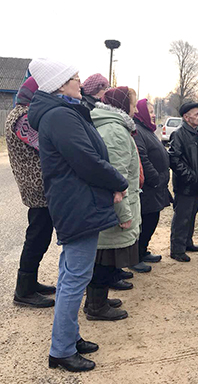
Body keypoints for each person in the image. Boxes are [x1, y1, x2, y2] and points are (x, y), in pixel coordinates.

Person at [28, 58, 128, 372]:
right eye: (74, 77)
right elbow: (85, 159)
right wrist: (117, 181)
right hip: (78, 203)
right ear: (59, 84)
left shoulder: (62, 111)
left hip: (78, 201)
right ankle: (61, 350)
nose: (79, 82)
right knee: (75, 278)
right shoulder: (60, 115)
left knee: (72, 273)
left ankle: (69, 337)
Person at [85, 87, 142, 320]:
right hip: (113, 209)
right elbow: (116, 176)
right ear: (121, 105)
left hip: (111, 207)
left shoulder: (114, 126)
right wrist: (124, 214)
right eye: (132, 103)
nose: (136, 108)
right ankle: (96, 307)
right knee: (105, 259)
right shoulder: (115, 131)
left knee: (105, 257)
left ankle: (98, 300)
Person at [5, 77, 56, 308]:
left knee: (40, 235)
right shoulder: (22, 117)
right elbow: (43, 143)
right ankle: (23, 290)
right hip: (37, 186)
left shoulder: (21, 114)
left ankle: (30, 282)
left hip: (36, 184)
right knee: (37, 236)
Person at [132, 98, 171, 272]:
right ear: (141, 113)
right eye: (150, 111)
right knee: (145, 222)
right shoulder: (138, 131)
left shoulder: (147, 129)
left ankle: (143, 250)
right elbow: (142, 157)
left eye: (154, 111)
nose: (154, 115)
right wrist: (155, 178)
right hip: (148, 188)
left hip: (155, 188)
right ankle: (135, 257)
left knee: (151, 220)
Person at [169, 101, 198, 262]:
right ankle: (177, 249)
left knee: (192, 214)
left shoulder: (195, 133)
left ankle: (187, 242)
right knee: (182, 217)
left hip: (196, 185)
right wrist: (189, 176)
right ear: (187, 117)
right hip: (186, 185)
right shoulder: (179, 134)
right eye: (197, 114)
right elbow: (174, 159)